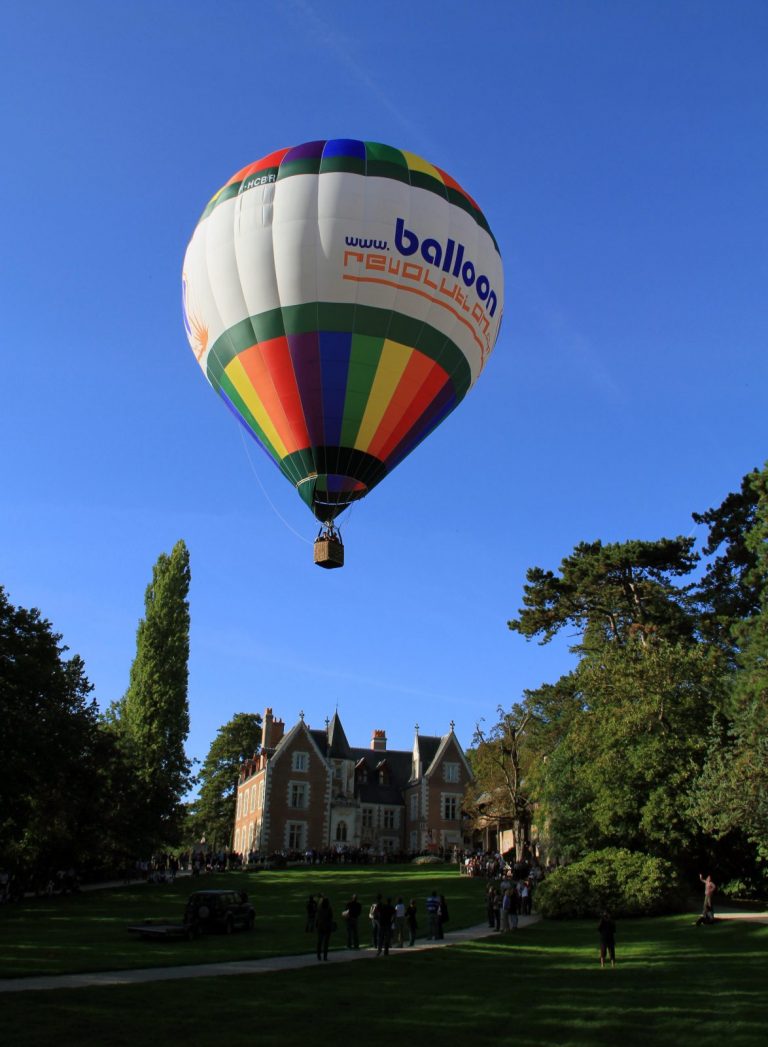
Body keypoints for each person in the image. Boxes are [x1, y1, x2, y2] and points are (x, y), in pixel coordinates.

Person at [315, 895, 334, 961]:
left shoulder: (319, 908)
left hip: (320, 926)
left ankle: (319, 955)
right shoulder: (329, 909)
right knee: (326, 943)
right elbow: (331, 918)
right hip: (327, 927)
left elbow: (317, 917)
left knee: (320, 942)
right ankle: (325, 957)